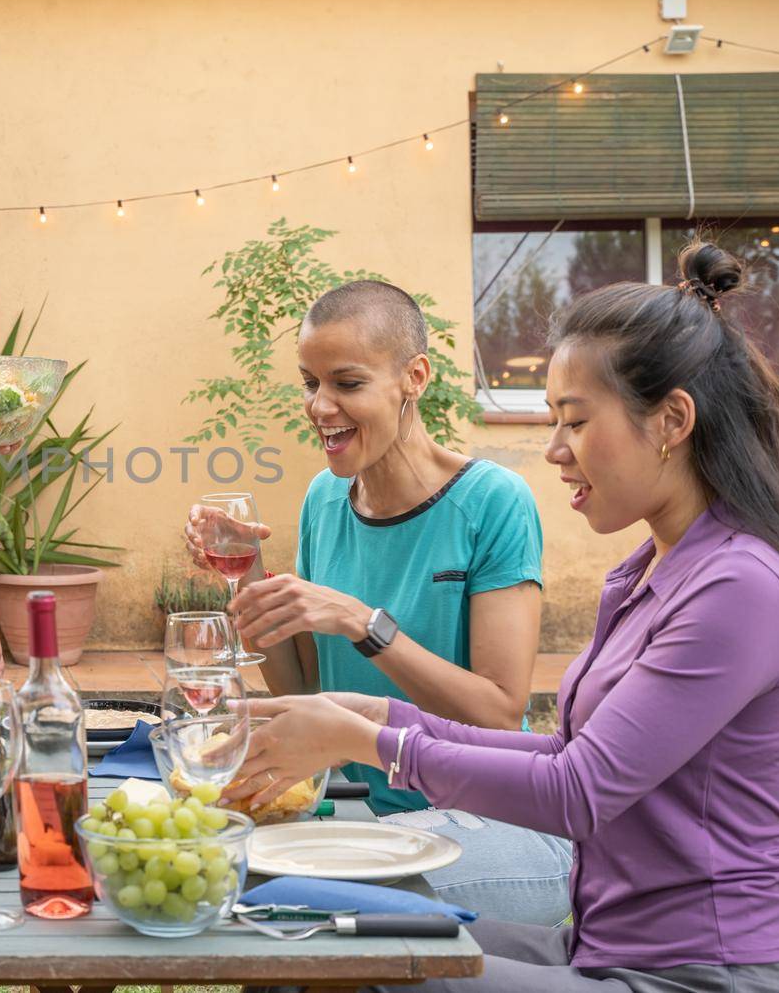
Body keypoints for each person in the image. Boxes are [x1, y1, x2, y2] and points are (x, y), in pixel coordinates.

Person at [235, 243, 779, 992]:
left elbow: (579, 792)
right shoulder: (646, 571)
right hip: (598, 949)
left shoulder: (741, 586)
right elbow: (560, 748)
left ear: (672, 420)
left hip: (697, 976)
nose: (554, 451)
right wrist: (373, 710)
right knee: (297, 920)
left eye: (576, 422)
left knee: (345, 962)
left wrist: (375, 742)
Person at [186, 278, 570, 924]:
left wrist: (364, 623)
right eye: (310, 383)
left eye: (347, 383)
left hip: (493, 818)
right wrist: (249, 575)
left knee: (298, 912)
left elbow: (499, 716)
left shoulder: (493, 502)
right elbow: (304, 683)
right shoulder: (324, 500)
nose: (320, 405)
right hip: (360, 814)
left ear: (413, 377)